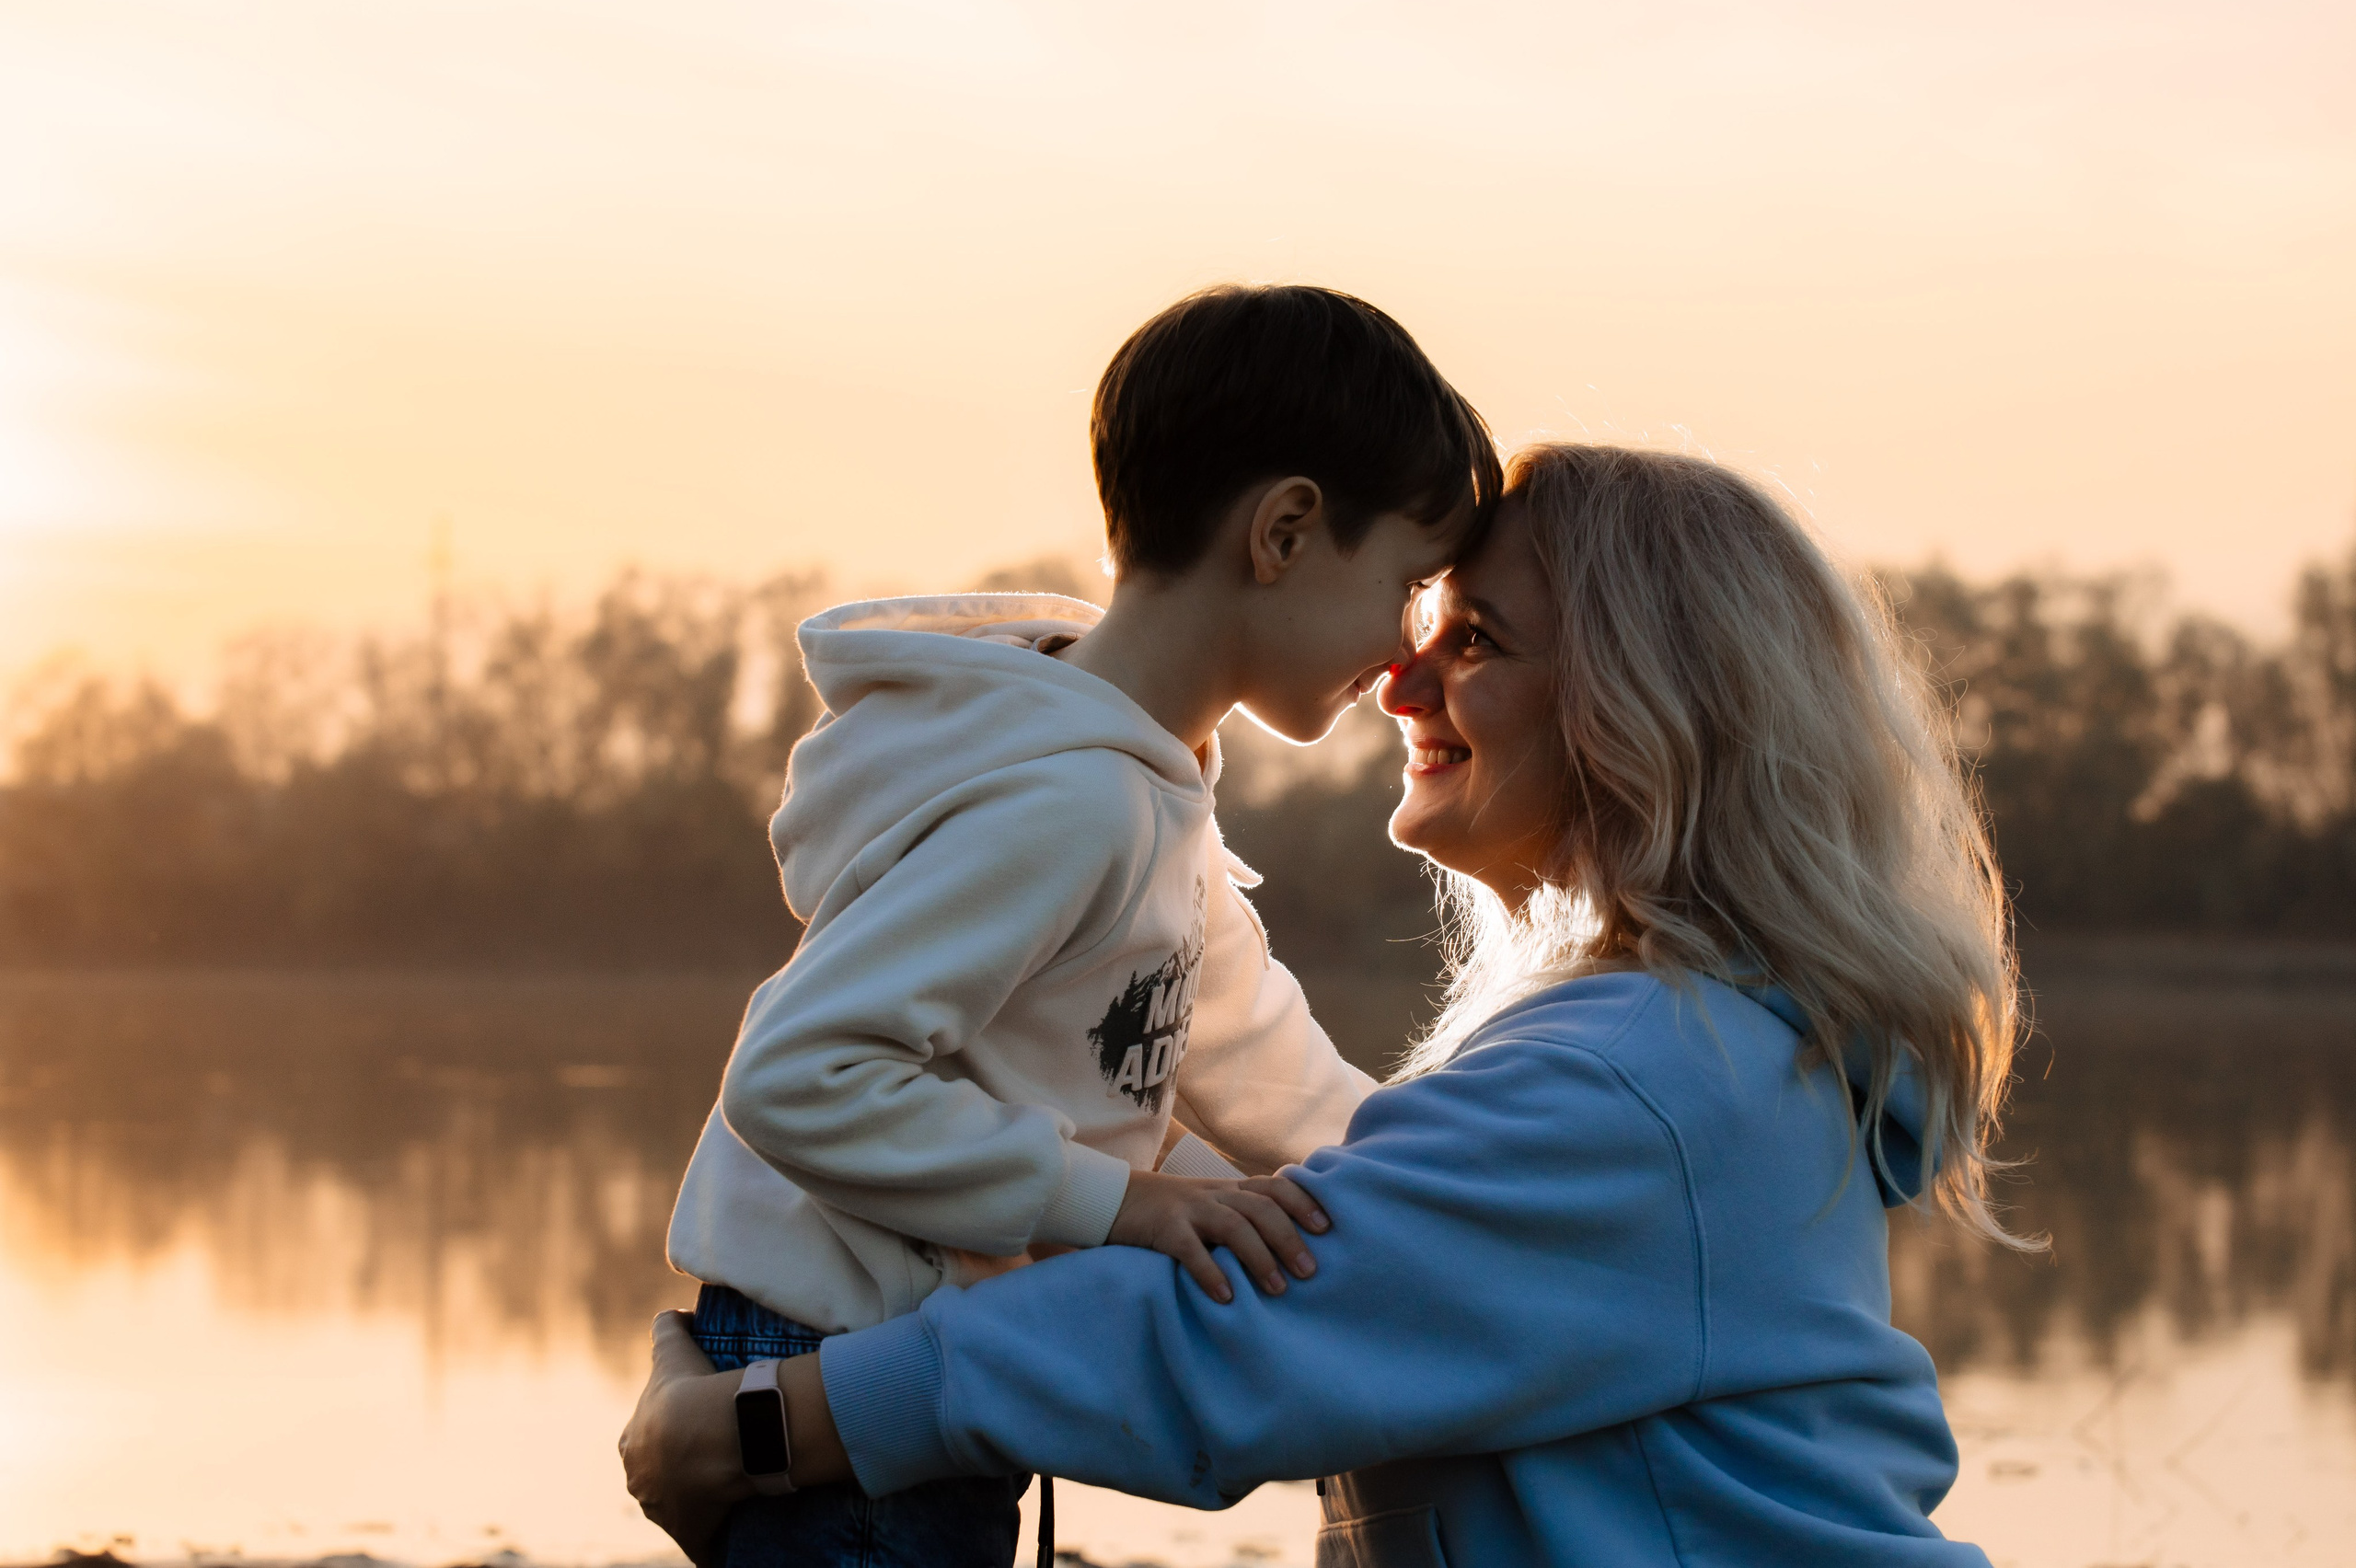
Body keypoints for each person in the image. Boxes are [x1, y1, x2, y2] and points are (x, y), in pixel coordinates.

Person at [624, 443, 2027, 1566]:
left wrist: (767, 1426)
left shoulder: (1648, 1077)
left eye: (1475, 638)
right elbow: (1338, 1209)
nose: (1399, 680)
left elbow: (1236, 1333)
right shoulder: (1680, 1049)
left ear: (1647, 706)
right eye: (1418, 622)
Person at [663, 283, 1504, 1564]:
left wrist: (1446, 1205)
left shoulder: (1149, 784)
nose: (1404, 660)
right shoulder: (1074, 800)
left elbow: (1252, 1052)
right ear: (1282, 531)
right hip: (830, 1368)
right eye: (1405, 587)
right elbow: (801, 1076)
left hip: (908, 1372)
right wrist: (1123, 1204)